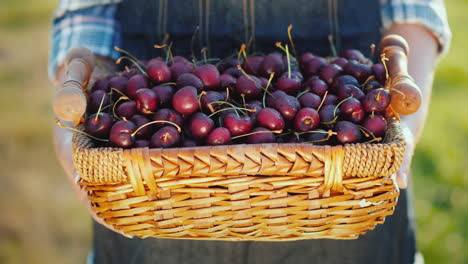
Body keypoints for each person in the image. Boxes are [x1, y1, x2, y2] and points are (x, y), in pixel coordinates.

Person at [49, 0, 451, 263]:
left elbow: (413, 8)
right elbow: (88, 13)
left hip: (343, 192)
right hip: (152, 196)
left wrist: (404, 125)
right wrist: (72, 130)